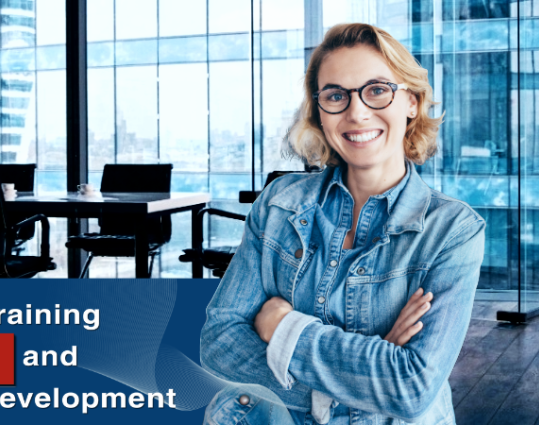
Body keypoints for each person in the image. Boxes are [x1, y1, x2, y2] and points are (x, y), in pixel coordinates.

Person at [199, 23, 486, 425]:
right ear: (319, 111)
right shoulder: (280, 204)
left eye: (377, 90)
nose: (356, 112)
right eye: (335, 95)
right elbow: (219, 343)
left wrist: (284, 327)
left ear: (412, 102)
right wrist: (368, 366)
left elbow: (411, 387)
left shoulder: (452, 229)